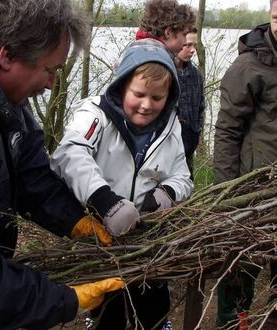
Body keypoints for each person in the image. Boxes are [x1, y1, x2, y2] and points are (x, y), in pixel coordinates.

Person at [0, 0, 124, 329]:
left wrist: (77, 222)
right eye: (50, 69)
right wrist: (67, 301)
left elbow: (30, 174)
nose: (51, 84)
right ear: (7, 55)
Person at [51, 39, 193, 329]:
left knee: (152, 306)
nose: (146, 105)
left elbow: (183, 175)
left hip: (149, 240)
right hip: (101, 238)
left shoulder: (171, 127)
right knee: (108, 308)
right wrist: (104, 200)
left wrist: (169, 192)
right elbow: (70, 153)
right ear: (121, 86)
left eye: (157, 98)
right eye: (138, 94)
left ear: (169, 96)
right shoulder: (95, 114)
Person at [214, 0, 277, 328]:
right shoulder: (248, 67)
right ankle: (232, 321)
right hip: (254, 193)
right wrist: (224, 195)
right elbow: (226, 132)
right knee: (241, 269)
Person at [175, 27, 205, 178]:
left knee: (186, 187)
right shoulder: (164, 73)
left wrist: (196, 129)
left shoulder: (196, 76)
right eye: (188, 45)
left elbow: (201, 107)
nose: (192, 50)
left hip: (188, 146)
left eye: (194, 46)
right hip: (166, 148)